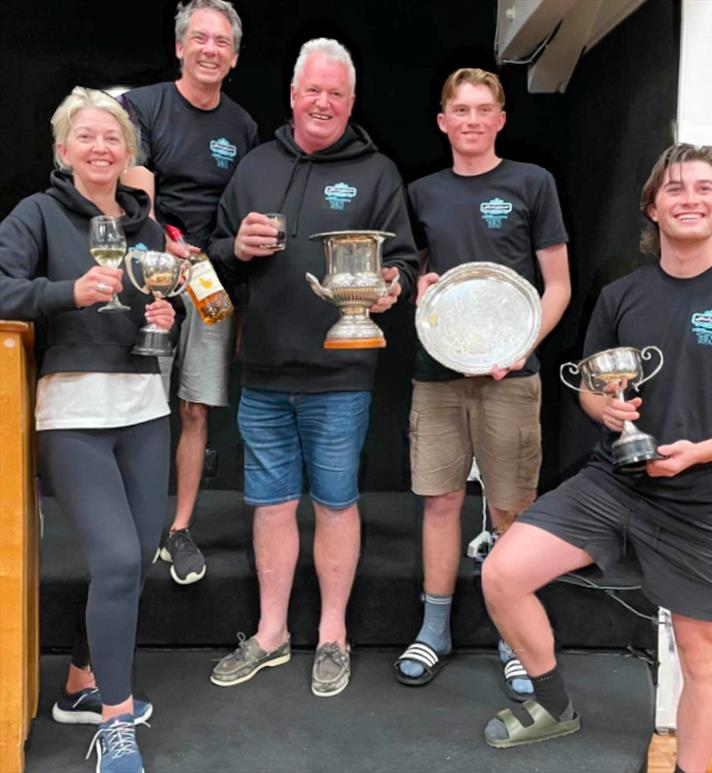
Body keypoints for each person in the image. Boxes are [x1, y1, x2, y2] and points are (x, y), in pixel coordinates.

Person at [479, 144, 712, 772]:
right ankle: (552, 705)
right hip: (614, 483)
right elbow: (595, 392)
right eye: (675, 189)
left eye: (704, 189)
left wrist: (700, 453)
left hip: (706, 501)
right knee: (503, 573)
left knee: (702, 654)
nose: (690, 199)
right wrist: (609, 412)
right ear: (652, 206)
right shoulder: (623, 295)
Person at [206, 37, 418, 697]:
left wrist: (392, 286)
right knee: (270, 507)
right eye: (312, 90)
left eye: (336, 93)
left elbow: (404, 263)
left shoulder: (378, 172)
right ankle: (271, 634)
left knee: (334, 503)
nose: (323, 101)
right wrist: (235, 246)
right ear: (293, 96)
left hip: (339, 376)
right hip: (264, 370)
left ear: (350, 103)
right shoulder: (254, 167)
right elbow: (214, 255)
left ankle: (332, 634)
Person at [0, 87, 176, 772]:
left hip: (144, 407)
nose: (101, 147)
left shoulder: (150, 230)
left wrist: (166, 320)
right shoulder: (37, 214)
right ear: (63, 148)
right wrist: (64, 293)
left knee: (134, 556)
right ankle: (115, 720)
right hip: (73, 410)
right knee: (116, 560)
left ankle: (80, 680)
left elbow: (160, 308)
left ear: (127, 153)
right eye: (88, 136)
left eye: (113, 138)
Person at [394, 68, 571, 699]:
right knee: (440, 502)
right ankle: (434, 628)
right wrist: (417, 288)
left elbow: (558, 286)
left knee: (509, 508)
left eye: (483, 109)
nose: (471, 120)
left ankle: (513, 636)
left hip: (511, 374)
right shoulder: (420, 193)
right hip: (438, 373)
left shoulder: (532, 183)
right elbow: (414, 275)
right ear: (442, 121)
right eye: (459, 110)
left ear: (500, 119)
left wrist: (519, 347)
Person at [121, 0, 258, 585]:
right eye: (199, 38)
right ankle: (137, 523)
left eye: (221, 42)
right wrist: (160, 245)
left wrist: (219, 259)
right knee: (142, 403)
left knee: (196, 406)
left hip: (210, 281)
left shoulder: (243, 127)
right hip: (152, 269)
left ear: (233, 57)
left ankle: (178, 528)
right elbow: (137, 190)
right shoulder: (142, 106)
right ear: (180, 47)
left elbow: (241, 208)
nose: (209, 49)